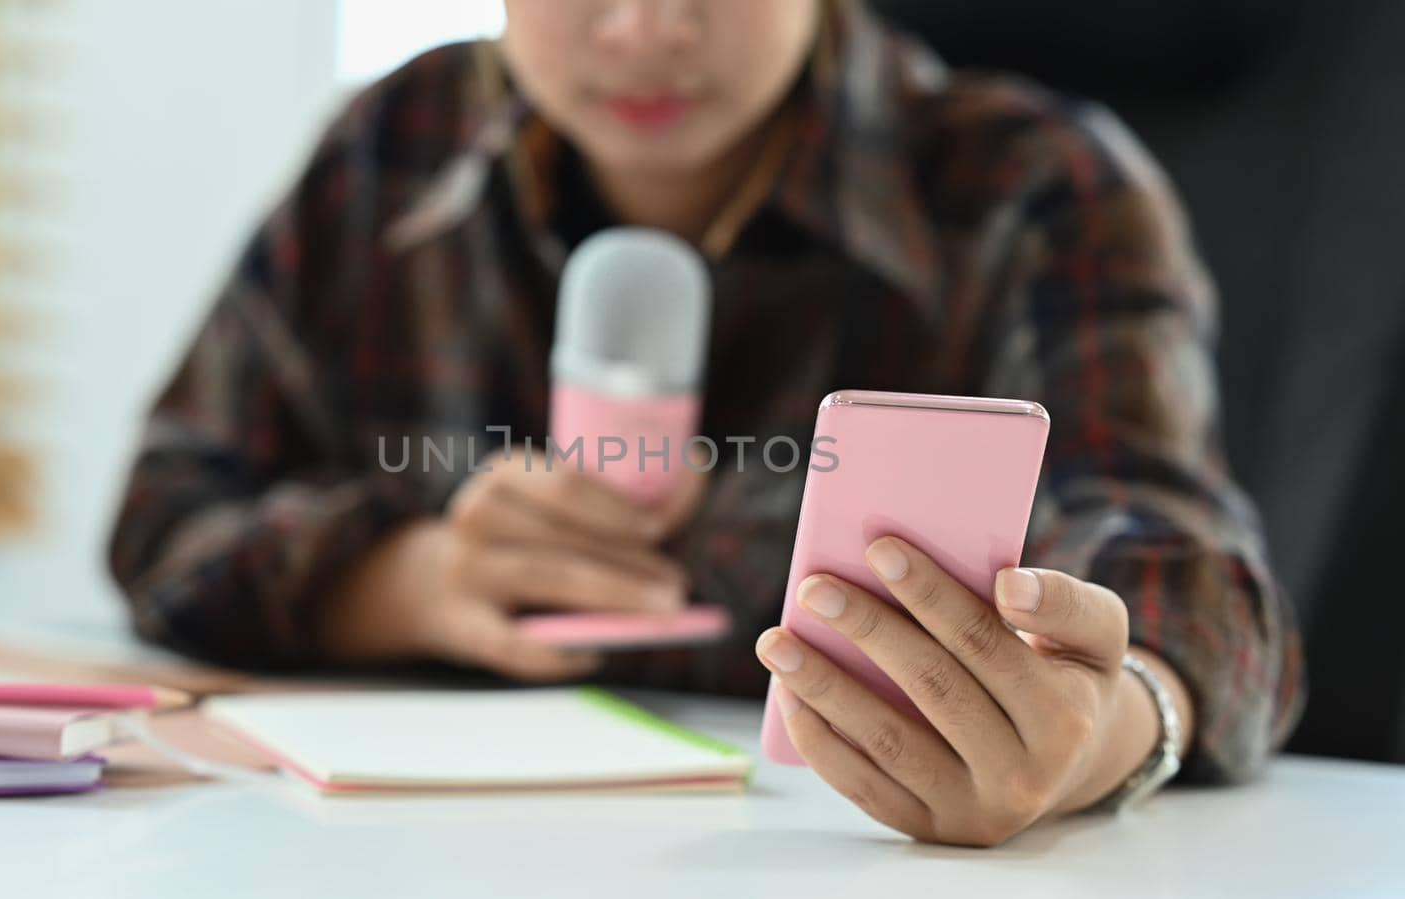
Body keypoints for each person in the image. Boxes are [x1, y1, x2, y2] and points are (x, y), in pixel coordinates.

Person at [109, 0, 1304, 845]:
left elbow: (1196, 583)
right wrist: (409, 580)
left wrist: (1094, 736)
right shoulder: (390, 149)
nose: (641, 27)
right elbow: (166, 516)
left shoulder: (1036, 184)